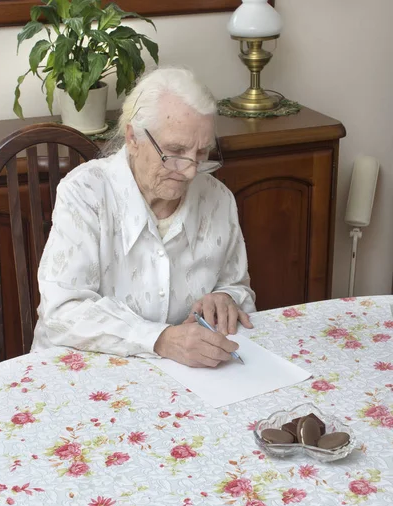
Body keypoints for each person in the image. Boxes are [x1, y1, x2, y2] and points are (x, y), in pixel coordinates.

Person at [32, 67, 256, 367]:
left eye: (202, 153)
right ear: (133, 137)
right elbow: (63, 311)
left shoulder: (219, 199)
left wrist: (225, 299)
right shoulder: (85, 193)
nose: (190, 171)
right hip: (81, 374)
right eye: (175, 151)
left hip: (181, 378)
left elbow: (238, 286)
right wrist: (160, 339)